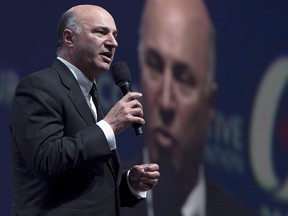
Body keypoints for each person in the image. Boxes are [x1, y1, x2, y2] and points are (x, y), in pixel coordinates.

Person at [9, 4, 160, 216]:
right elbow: (47, 161)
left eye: (115, 35)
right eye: (101, 32)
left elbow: (84, 192)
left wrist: (129, 184)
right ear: (69, 38)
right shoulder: (38, 86)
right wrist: (108, 126)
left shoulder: (89, 94)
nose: (113, 42)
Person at [122, 0, 254, 215]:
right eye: (154, 66)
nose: (165, 101)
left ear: (209, 105)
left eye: (184, 80)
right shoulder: (100, 202)